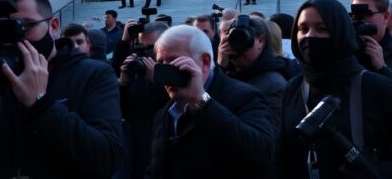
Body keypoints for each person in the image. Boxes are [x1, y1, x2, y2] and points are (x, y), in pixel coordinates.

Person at [0, 0, 125, 178]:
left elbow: (106, 159)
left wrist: (41, 104)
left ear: (53, 26)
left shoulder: (94, 74)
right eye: (4, 28)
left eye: (24, 26)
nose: (15, 36)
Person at [282, 0, 392, 178]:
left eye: (321, 28)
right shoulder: (292, 89)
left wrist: (375, 173)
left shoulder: (377, 88)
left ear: (340, 33)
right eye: (303, 29)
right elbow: (281, 158)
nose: (309, 36)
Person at [146, 25, 276, 178]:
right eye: (161, 63)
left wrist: (201, 101)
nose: (165, 72)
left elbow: (262, 156)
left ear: (205, 62)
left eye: (175, 61)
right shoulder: (165, 114)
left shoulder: (245, 97)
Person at [117, 21, 169, 179]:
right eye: (141, 47)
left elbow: (181, 107)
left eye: (151, 48)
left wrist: (159, 81)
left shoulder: (177, 71)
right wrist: (123, 84)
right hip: (136, 152)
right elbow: (123, 112)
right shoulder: (136, 71)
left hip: (164, 155)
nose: (146, 54)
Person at [217, 15, 290, 127]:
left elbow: (270, 138)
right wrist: (220, 68)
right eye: (234, 39)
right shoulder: (227, 75)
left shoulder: (273, 85)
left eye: (244, 39)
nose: (237, 48)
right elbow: (201, 104)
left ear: (261, 41)